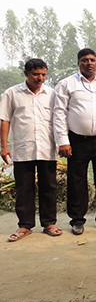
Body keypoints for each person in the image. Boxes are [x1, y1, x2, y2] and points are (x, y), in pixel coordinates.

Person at [53, 48, 96, 235]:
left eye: (92, 60)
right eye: (85, 60)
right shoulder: (67, 84)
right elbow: (59, 113)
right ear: (78, 63)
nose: (89, 63)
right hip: (77, 140)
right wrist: (63, 141)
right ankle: (77, 220)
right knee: (77, 181)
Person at [0, 59, 61, 241]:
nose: (40, 78)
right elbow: (4, 119)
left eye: (43, 74)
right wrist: (4, 146)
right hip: (23, 148)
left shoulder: (52, 94)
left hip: (47, 148)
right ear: (26, 73)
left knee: (49, 187)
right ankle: (25, 225)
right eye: (36, 74)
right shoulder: (12, 93)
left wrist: (63, 143)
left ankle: (49, 223)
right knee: (24, 188)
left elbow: (59, 120)